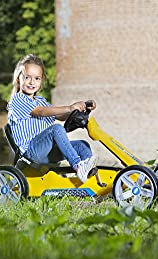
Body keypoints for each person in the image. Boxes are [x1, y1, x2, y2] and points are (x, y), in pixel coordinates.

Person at [7, 54, 97, 183]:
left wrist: (80, 108)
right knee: (56, 129)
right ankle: (78, 166)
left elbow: (59, 115)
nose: (32, 82)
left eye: (37, 78)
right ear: (18, 79)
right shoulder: (18, 99)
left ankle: (88, 178)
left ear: (41, 80)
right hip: (31, 153)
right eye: (27, 77)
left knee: (82, 145)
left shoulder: (40, 100)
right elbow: (41, 112)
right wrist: (69, 107)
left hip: (47, 151)